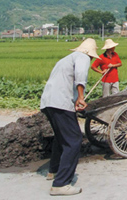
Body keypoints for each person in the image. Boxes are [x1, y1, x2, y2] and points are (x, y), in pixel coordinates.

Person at [40, 38, 100, 196]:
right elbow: (81, 76)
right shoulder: (82, 57)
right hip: (61, 102)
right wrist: (81, 97)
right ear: (90, 53)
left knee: (61, 138)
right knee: (74, 140)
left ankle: (53, 170)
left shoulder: (66, 59)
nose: (92, 59)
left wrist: (74, 99)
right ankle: (60, 183)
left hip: (48, 102)